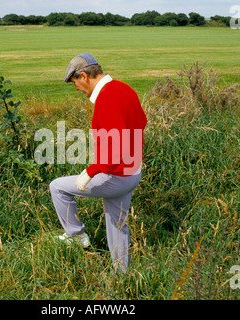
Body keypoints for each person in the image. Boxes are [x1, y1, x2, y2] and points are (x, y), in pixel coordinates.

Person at [49, 52, 147, 273]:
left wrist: (92, 170)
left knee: (57, 187)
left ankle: (76, 236)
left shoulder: (107, 98)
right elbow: (141, 121)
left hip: (115, 175)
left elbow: (116, 147)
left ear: (83, 75)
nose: (78, 90)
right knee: (117, 225)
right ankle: (123, 276)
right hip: (132, 171)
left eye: (76, 84)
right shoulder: (124, 88)